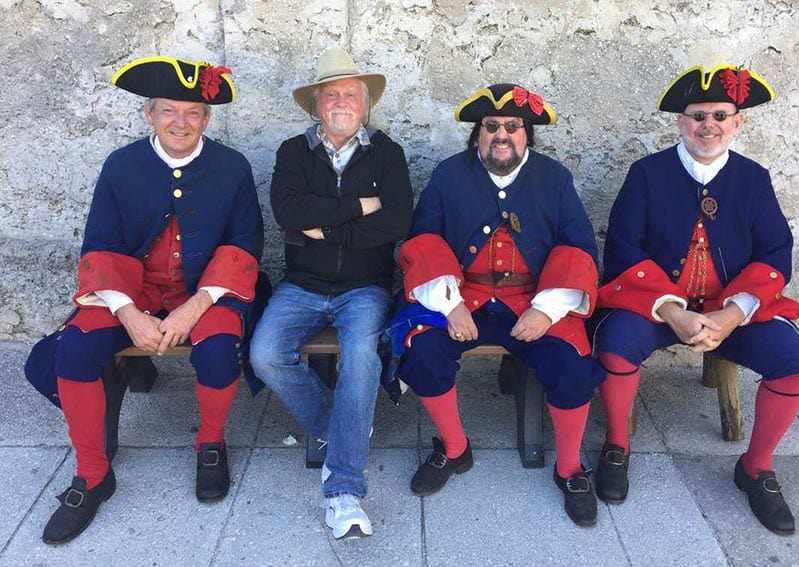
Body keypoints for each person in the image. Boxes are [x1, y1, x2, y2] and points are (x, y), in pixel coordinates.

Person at [24, 56, 264, 544]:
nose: (182, 122)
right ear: (150, 115)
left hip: (204, 291)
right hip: (131, 292)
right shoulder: (121, 165)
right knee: (73, 350)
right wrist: (129, 313)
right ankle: (92, 474)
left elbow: (244, 243)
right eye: (170, 111)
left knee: (219, 350)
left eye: (193, 113)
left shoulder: (232, 167)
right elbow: (101, 244)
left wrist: (196, 305)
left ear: (207, 119)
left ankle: (210, 441)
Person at [593, 64, 799, 534]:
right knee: (614, 343)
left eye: (721, 114)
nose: (708, 125)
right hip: (657, 308)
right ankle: (617, 444)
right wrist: (672, 311)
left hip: (730, 313)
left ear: (737, 122)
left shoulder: (754, 179)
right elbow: (623, 248)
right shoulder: (646, 174)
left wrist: (733, 314)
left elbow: (776, 252)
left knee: (795, 360)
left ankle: (755, 468)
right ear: (680, 121)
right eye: (697, 115)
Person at [393, 83, 605, 527]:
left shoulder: (555, 178)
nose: (501, 134)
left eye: (513, 126)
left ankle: (569, 469)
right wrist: (448, 305)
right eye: (491, 127)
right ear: (477, 136)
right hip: (462, 296)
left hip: (533, 299)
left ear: (527, 134)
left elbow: (580, 247)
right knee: (423, 353)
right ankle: (454, 450)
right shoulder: (449, 174)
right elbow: (422, 241)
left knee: (570, 366)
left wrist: (546, 309)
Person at [249, 48, 413, 540]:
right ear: (317, 105)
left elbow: (396, 220)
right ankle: (341, 422)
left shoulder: (388, 152)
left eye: (350, 94)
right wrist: (360, 204)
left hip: (365, 286)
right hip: (303, 283)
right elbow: (289, 214)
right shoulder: (292, 152)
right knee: (264, 354)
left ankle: (344, 490)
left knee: (362, 355)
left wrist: (327, 228)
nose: (341, 102)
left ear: (364, 105)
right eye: (331, 94)